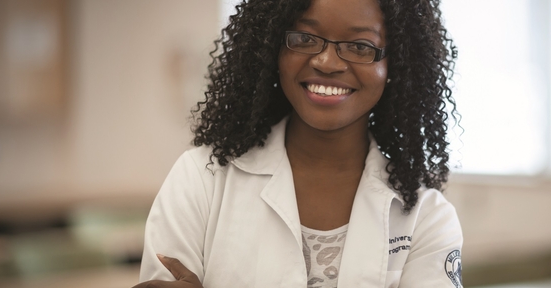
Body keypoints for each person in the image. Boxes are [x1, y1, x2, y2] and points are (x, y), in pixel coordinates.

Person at [133, 0, 462, 287]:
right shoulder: (200, 178)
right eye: (304, 39)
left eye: (360, 46)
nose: (327, 63)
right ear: (274, 49)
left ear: (395, 65)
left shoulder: (426, 216)